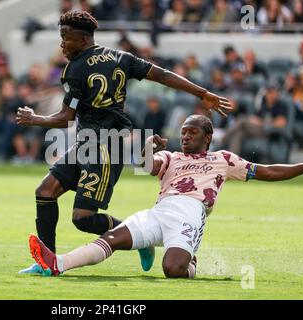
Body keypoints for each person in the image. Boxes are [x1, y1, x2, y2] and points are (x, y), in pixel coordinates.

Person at [16, 11, 232, 274]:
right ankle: (45, 264)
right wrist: (202, 93)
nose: (62, 45)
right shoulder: (121, 57)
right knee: (45, 191)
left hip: (106, 146)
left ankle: (139, 241)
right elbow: (162, 75)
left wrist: (33, 118)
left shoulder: (76, 69)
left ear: (83, 39)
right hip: (90, 143)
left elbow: (65, 118)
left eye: (66, 38)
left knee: (82, 220)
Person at [27, 114, 303, 278]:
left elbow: (267, 171)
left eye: (191, 132)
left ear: (206, 137)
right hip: (160, 210)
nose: (185, 137)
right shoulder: (172, 157)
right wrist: (149, 148)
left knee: (172, 269)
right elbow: (145, 166)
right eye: (183, 132)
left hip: (190, 213)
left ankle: (190, 262)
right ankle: (58, 263)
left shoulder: (223, 158)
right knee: (112, 239)